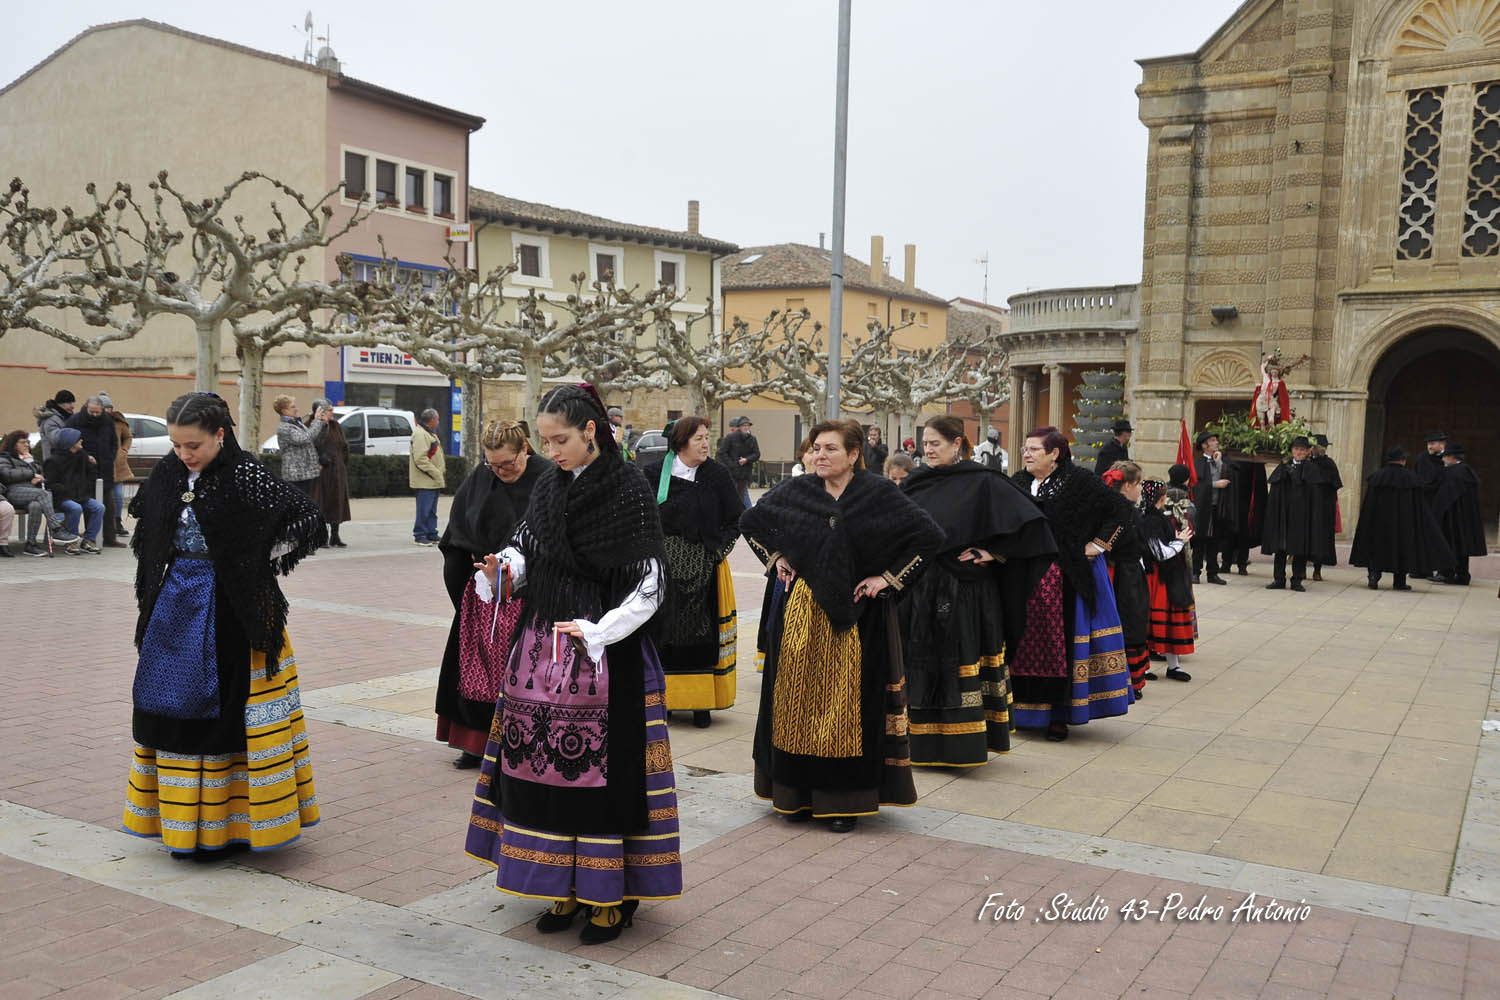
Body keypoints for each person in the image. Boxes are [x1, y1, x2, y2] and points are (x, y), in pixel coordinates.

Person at [465, 384, 680, 945]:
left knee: (606, 782)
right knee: (539, 773)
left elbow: (651, 584)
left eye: (559, 439)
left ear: (591, 431)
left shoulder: (627, 490)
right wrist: (501, 570)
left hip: (606, 652)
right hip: (541, 651)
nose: (551, 450)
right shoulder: (547, 488)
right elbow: (528, 551)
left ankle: (610, 895)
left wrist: (600, 631)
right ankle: (559, 886)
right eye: (544, 440)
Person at [122, 391, 324, 858]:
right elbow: (147, 523)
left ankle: (229, 828)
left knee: (231, 714)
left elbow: (307, 517)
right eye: (176, 445)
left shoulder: (245, 473)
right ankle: (179, 826)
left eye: (192, 445)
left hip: (236, 612)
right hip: (175, 607)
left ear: (219, 434)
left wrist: (251, 559)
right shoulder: (171, 473)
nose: (183, 454)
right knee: (167, 708)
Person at [741, 419, 940, 831]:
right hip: (801, 616)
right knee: (794, 702)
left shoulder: (877, 493)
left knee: (846, 709)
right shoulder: (798, 491)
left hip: (857, 620)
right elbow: (752, 524)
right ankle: (794, 796)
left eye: (830, 448)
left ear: (853, 455)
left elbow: (929, 537)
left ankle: (841, 802)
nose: (820, 455)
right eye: (816, 448)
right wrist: (776, 557)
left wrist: (886, 578)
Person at [900, 416, 1056, 767]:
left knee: (958, 663)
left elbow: (1035, 529)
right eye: (925, 443)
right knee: (919, 663)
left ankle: (961, 745)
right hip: (920, 592)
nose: (928, 449)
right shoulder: (916, 482)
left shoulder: (983, 481)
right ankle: (915, 743)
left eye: (935, 443)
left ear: (957, 444)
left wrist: (994, 552)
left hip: (964, 593)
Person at [436, 420, 552, 768]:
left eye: (508, 464)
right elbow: (456, 534)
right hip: (482, 598)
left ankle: (522, 743)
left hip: (531, 594)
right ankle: (474, 743)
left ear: (525, 450)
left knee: (522, 673)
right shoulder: (480, 478)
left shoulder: (547, 478)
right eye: (493, 464)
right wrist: (465, 592)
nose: (500, 471)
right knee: (476, 670)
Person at [1011, 426, 1135, 741]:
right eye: (1026, 448)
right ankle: (1022, 713)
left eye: (1034, 449)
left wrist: (1098, 544)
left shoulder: (1078, 481)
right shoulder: (1019, 483)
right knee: (1021, 644)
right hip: (1023, 579)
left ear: (1054, 453)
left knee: (1059, 646)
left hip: (1064, 579)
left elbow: (1120, 510)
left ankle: (1058, 716)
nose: (1027, 454)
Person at [643, 417, 742, 728]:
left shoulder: (716, 475)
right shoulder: (654, 473)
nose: (705, 443)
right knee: (664, 632)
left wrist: (717, 551)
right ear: (681, 442)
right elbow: (644, 519)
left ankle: (701, 704)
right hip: (664, 571)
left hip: (703, 570)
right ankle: (667, 701)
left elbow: (737, 518)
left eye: (706, 437)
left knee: (701, 633)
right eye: (698, 438)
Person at [1349, 447, 1452, 590]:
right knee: (1402, 550)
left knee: (1376, 548)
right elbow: (1418, 506)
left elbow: (1369, 505)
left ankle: (1374, 576)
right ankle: (1399, 582)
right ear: (1403, 461)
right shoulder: (1411, 479)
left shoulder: (1377, 477)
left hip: (1379, 524)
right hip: (1403, 524)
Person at [1102, 463, 1152, 700]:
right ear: (1128, 485)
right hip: (1123, 575)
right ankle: (1127, 680)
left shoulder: (1119, 508)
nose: (1141, 488)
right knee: (1129, 623)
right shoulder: (1123, 511)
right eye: (1139, 483)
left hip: (1125, 572)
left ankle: (1128, 678)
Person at [1141, 480, 1196, 681]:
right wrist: (1180, 541)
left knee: (1170, 619)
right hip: (1156, 577)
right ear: (1163, 498)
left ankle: (1174, 666)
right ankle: (1144, 667)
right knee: (1152, 621)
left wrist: (1178, 539)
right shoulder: (1150, 521)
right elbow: (1160, 553)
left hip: (1167, 575)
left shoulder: (1158, 518)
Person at [1260, 436, 1330, 591]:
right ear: (1292, 451)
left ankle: (1297, 580)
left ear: (1307, 452)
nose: (1299, 452)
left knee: (1300, 548)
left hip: (1301, 516)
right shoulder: (1283, 466)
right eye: (1296, 449)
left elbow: (1315, 495)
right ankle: (1279, 579)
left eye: (1302, 450)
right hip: (1283, 515)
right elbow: (1275, 489)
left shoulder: (1312, 469)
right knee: (1280, 548)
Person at [0, 431, 80, 555]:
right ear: (14, 444)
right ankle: (56, 528)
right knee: (43, 494)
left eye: (27, 442)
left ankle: (31, 545)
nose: (26, 445)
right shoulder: (5, 458)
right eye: (22, 442)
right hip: (13, 491)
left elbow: (40, 472)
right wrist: (31, 474)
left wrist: (32, 466)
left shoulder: (29, 458)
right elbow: (7, 474)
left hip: (31, 491)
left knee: (36, 506)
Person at [66, 395, 123, 547]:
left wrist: (110, 456)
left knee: (109, 506)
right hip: (83, 470)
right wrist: (85, 457)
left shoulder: (107, 421)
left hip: (104, 468)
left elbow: (114, 442)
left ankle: (110, 538)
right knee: (89, 505)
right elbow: (68, 443)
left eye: (98, 412)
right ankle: (90, 539)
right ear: (86, 408)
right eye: (92, 412)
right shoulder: (75, 421)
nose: (96, 415)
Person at [1431, 443, 1486, 586]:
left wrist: (1435, 513)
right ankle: (1462, 575)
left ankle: (1446, 573)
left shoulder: (1451, 473)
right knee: (1462, 546)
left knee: (1448, 543)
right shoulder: (1467, 471)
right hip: (1465, 517)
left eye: (1445, 457)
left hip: (1451, 518)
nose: (1443, 460)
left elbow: (1443, 497)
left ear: (1451, 458)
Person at [44, 428, 105, 554]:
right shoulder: (53, 461)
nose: (81, 440)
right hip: (62, 498)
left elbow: (92, 472)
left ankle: (88, 540)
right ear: (70, 442)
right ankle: (71, 542)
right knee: (76, 508)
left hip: (81, 495)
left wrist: (86, 486)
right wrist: (66, 491)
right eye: (78, 439)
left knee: (99, 507)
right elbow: (51, 484)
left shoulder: (82, 455)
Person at [1191, 431, 1233, 585]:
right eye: (1213, 440)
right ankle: (1195, 572)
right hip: (1203, 508)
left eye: (1216, 440)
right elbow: (1198, 485)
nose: (1216, 443)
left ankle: (1212, 573)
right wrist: (1215, 484)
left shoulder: (1218, 460)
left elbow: (1226, 473)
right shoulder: (1198, 463)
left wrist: (1219, 462)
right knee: (1200, 540)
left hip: (1217, 507)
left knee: (1214, 541)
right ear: (1204, 445)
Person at [308, 400, 351, 548]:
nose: (332, 412)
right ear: (319, 412)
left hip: (337, 470)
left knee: (337, 501)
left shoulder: (336, 426)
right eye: (329, 410)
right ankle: (321, 536)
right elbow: (310, 446)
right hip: (321, 471)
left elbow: (344, 446)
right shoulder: (311, 425)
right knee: (322, 502)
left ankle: (335, 535)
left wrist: (342, 463)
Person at [274, 395, 328, 498]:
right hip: (296, 477)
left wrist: (323, 425)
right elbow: (304, 438)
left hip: (307, 474)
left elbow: (314, 440)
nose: (297, 409)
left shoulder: (297, 424)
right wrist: (316, 421)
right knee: (300, 507)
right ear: (284, 411)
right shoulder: (284, 427)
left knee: (308, 505)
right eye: (293, 407)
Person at [1308, 434, 1343, 582]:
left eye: (1324, 447)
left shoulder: (1329, 464)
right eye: (1319, 447)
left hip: (1323, 509)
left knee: (1321, 541)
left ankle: (1317, 570)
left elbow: (1335, 484)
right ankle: (1300, 570)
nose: (1322, 450)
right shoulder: (1307, 463)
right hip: (1307, 508)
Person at [409, 407, 445, 545]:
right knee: (424, 509)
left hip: (431, 480)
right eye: (437, 419)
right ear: (432, 420)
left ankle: (431, 532)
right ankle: (420, 534)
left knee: (431, 510)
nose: (438, 422)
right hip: (426, 479)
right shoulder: (420, 434)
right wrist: (435, 472)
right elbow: (420, 459)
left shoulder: (428, 433)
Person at [104, 394, 133, 539]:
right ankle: (106, 525)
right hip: (103, 465)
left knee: (119, 496)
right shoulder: (96, 422)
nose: (107, 411)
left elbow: (128, 437)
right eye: (104, 408)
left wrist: (124, 449)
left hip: (118, 465)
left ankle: (117, 522)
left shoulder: (118, 422)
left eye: (109, 407)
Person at [716, 416, 760, 507]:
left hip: (744, 474)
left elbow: (756, 454)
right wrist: (732, 465)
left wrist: (747, 459)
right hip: (731, 473)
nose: (746, 427)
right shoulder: (730, 438)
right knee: (730, 497)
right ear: (740, 427)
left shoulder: (752, 439)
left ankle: (742, 516)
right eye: (744, 425)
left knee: (742, 497)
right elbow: (722, 453)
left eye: (748, 425)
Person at [33, 389, 75, 462]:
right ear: (59, 404)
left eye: (73, 402)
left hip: (64, 460)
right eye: (69, 403)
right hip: (55, 463)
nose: (72, 406)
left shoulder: (65, 417)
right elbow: (56, 440)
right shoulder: (50, 420)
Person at [1415, 430, 1447, 510]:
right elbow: (1415, 477)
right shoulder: (1421, 458)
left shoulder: (1449, 457)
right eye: (1428, 444)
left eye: (1432, 444)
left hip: (1443, 501)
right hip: (1424, 501)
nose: (1429, 447)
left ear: (1442, 444)